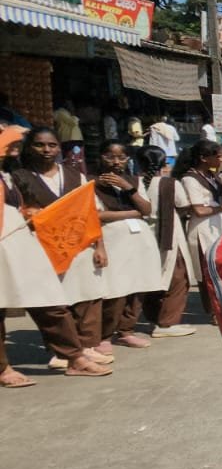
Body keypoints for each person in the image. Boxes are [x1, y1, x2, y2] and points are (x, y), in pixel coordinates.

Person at [8, 127, 114, 374]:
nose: (46, 150)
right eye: (39, 145)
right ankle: (61, 352)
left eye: (52, 145)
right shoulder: (19, 177)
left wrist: (99, 245)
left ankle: (86, 346)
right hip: (42, 248)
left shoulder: (75, 175)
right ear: (29, 147)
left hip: (80, 244)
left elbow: (91, 212)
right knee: (55, 301)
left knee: (87, 296)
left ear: (59, 147)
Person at [92, 142, 164, 350]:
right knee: (116, 288)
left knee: (140, 285)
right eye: (110, 157)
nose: (116, 162)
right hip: (113, 240)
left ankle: (127, 330)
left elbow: (147, 209)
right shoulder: (91, 183)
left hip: (140, 240)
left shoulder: (134, 181)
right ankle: (105, 335)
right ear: (100, 157)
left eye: (121, 157)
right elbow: (97, 215)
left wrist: (127, 188)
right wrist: (133, 213)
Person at [174, 140, 222, 313]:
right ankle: (213, 311)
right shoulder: (190, 179)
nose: (221, 160)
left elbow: (221, 199)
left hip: (220, 226)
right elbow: (199, 210)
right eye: (218, 156)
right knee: (207, 271)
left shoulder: (213, 176)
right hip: (203, 229)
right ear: (204, 158)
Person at [134, 145, 197, 339]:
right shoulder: (169, 184)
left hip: (143, 238)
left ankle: (154, 318)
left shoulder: (134, 183)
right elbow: (184, 206)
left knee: (152, 279)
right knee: (178, 279)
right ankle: (167, 322)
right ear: (163, 163)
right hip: (169, 237)